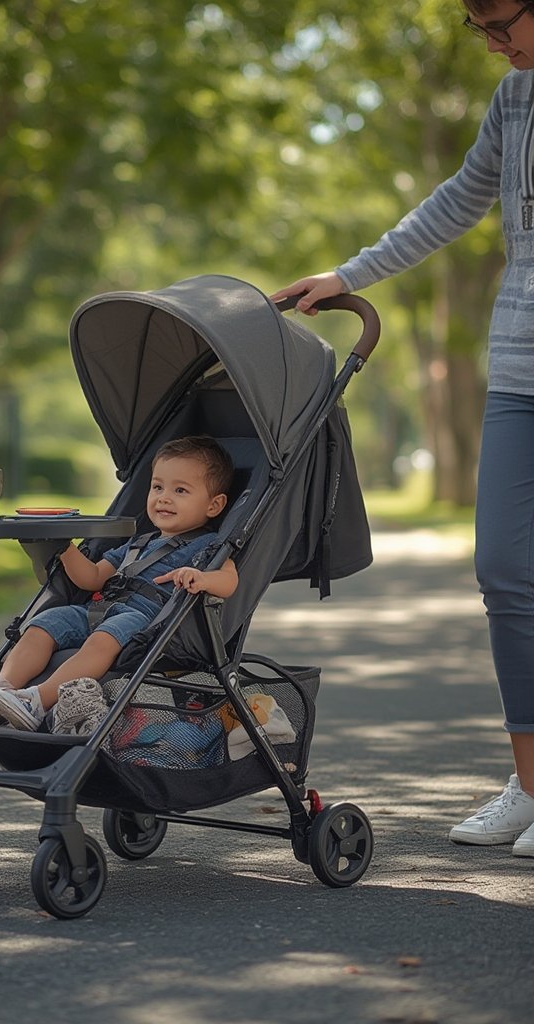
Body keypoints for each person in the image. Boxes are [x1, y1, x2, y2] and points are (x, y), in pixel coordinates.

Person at [272, 0, 534, 857]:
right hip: (521, 370)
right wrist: (347, 273)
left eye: (501, 20)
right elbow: (459, 200)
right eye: (477, 27)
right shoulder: (514, 98)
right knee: (504, 571)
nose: (494, 41)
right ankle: (531, 784)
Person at [0, 435, 239, 735]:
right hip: (95, 608)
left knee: (103, 640)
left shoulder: (207, 545)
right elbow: (92, 577)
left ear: (214, 505)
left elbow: (229, 580)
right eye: (157, 487)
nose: (163, 497)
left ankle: (36, 701)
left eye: (180, 490)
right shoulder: (136, 543)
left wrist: (201, 577)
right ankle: (2, 688)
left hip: (144, 620)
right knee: (43, 623)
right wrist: (65, 546)